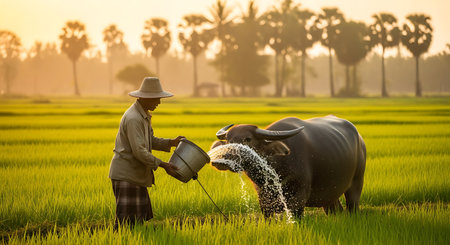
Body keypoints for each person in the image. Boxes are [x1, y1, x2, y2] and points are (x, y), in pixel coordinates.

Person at [109, 77, 184, 229]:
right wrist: (163, 164)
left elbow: (149, 140)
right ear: (144, 98)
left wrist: (171, 142)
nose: (159, 102)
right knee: (126, 224)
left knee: (137, 223)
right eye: (156, 99)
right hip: (127, 176)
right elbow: (139, 151)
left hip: (135, 176)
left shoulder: (143, 115)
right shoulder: (133, 118)